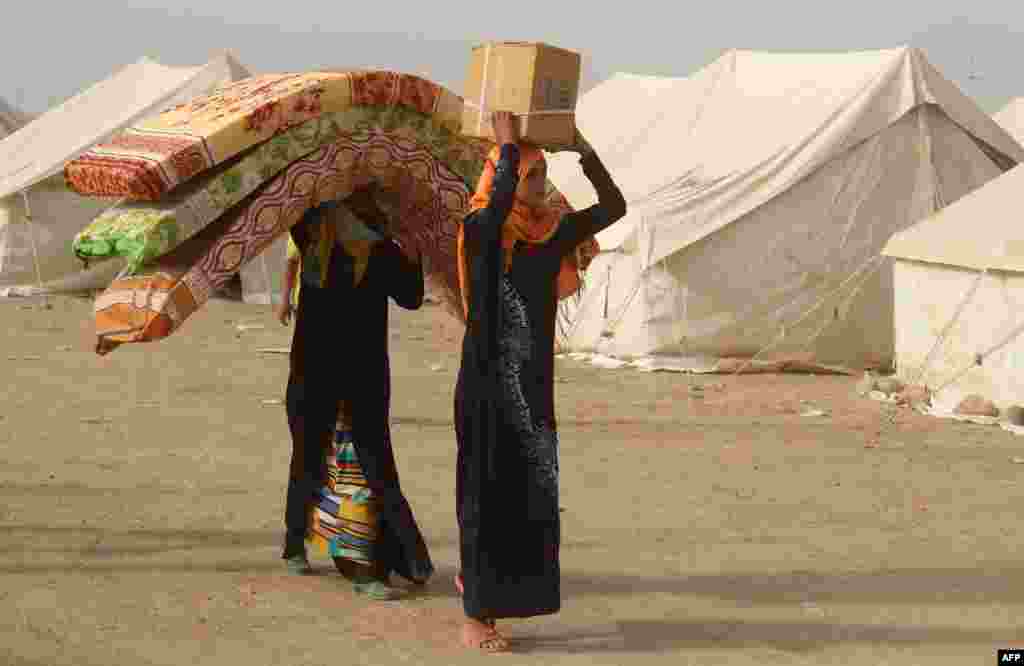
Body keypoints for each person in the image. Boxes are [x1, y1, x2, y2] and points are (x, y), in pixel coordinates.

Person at [453, 112, 627, 651]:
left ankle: (506, 595)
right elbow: (496, 205)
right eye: (532, 175)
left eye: (542, 174)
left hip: (531, 391)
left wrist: (584, 150)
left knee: (527, 499)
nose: (541, 185)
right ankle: (477, 614)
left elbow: (614, 208)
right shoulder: (481, 230)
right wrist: (507, 150)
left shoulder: (550, 234)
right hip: (485, 388)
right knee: (483, 495)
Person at [278, 186, 434, 599]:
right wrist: (413, 251)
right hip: (340, 376)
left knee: (327, 462)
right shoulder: (329, 239)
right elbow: (413, 297)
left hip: (329, 375)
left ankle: (318, 550)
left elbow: (411, 296)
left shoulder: (327, 239)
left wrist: (411, 251)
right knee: (353, 466)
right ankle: (350, 560)